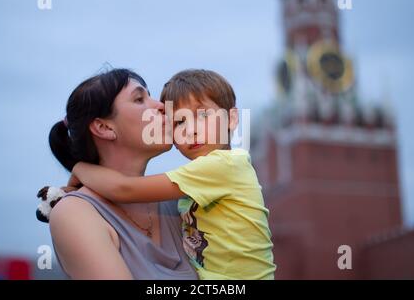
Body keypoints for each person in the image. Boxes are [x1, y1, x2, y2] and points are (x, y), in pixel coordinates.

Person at [70, 69, 276, 280]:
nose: (191, 130)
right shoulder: (75, 214)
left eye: (203, 115)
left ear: (231, 119)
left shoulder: (223, 165)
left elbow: (123, 189)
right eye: (179, 122)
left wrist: (78, 169)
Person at [40, 68, 198, 279]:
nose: (161, 106)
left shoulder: (181, 204)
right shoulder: (74, 213)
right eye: (140, 99)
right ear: (104, 127)